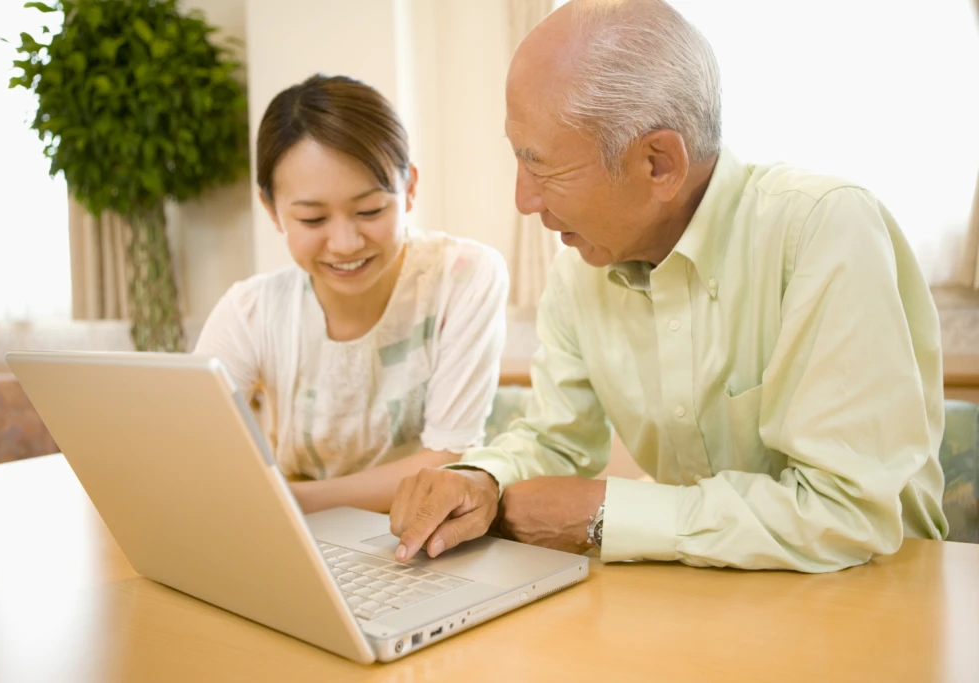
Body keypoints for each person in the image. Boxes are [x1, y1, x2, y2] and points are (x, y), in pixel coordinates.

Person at [389, 0, 948, 572]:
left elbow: (847, 515)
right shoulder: (578, 271)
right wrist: (481, 480)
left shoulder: (822, 228)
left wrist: (604, 512)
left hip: (875, 595)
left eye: (544, 168)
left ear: (659, 163)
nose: (523, 201)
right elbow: (557, 441)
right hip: (701, 600)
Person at [195, 74, 508, 514]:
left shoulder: (463, 276)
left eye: (369, 211)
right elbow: (195, 449)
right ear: (272, 210)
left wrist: (290, 499)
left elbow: (447, 462)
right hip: (298, 538)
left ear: (410, 188)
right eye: (312, 220)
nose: (344, 243)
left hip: (426, 531)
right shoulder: (253, 311)